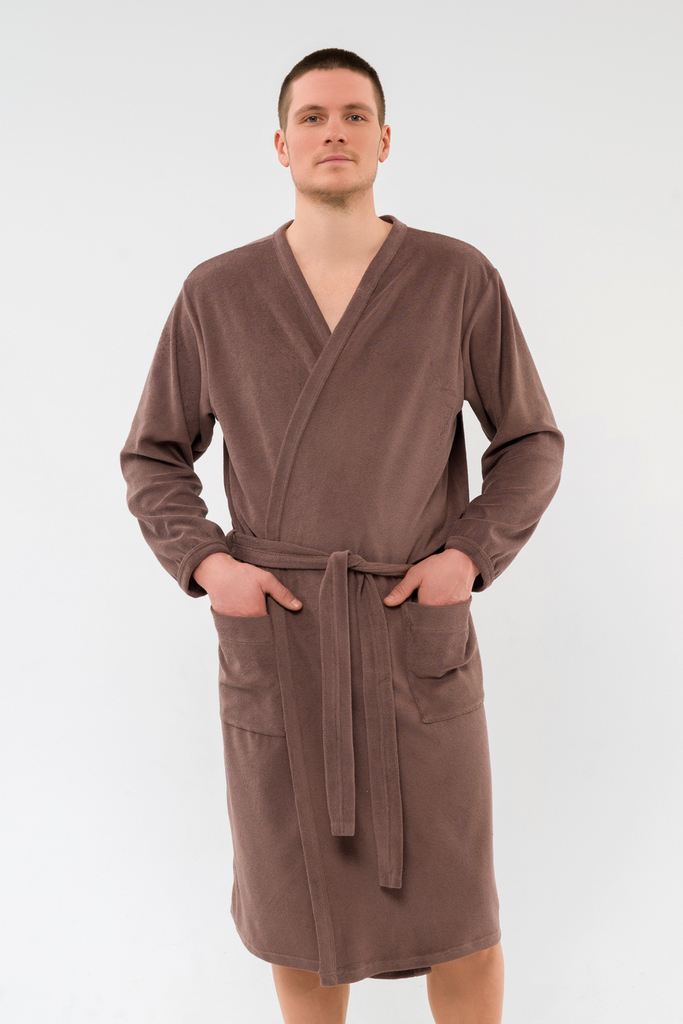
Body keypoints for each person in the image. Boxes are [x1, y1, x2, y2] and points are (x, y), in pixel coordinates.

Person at [120, 47, 564, 1024]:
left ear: (384, 140)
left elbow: (530, 441)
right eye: (313, 117)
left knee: (460, 917)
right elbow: (153, 454)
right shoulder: (217, 292)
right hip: (282, 642)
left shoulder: (454, 277)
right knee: (298, 917)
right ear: (280, 145)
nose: (334, 132)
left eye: (354, 115)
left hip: (412, 639)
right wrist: (210, 565)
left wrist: (466, 556)